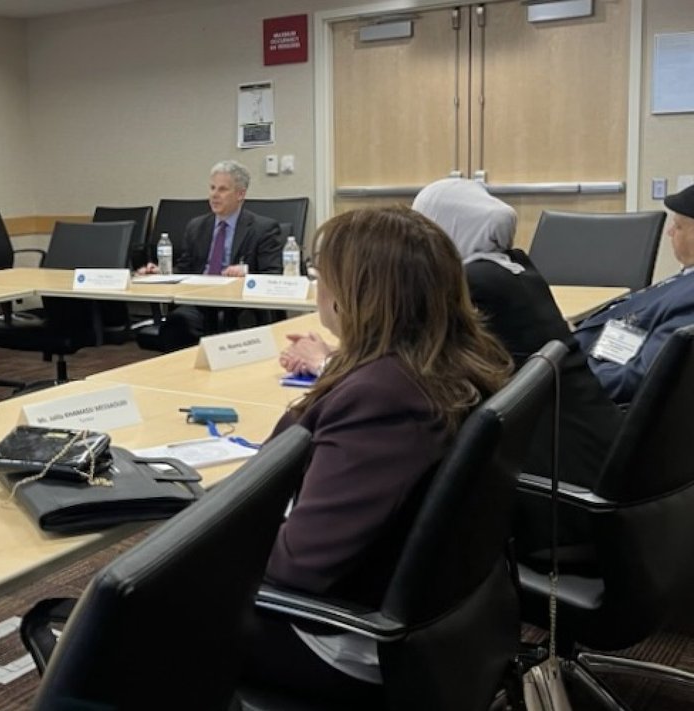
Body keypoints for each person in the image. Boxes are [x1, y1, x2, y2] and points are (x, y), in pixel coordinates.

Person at [246, 206, 511, 700]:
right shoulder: (455, 362)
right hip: (426, 612)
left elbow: (295, 568)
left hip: (340, 634)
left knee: (124, 612)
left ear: (350, 298)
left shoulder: (383, 397)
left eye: (321, 276)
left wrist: (209, 550)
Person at [411, 178, 622, 490]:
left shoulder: (474, 284)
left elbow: (419, 363)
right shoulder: (514, 267)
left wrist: (326, 362)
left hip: (557, 471)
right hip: (595, 449)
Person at [138, 160, 282, 351]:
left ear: (240, 194)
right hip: (200, 301)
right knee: (176, 323)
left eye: (222, 189)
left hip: (238, 304)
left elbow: (274, 274)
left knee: (234, 334)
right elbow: (185, 268)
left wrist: (246, 272)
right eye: (212, 188)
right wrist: (163, 272)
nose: (214, 195)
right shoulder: (196, 226)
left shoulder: (263, 228)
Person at [572, 183, 694, 404]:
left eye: (677, 226)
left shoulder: (690, 301)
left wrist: (564, 380)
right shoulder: (687, 279)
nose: (669, 232)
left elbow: (640, 379)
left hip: (588, 400)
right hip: (586, 356)